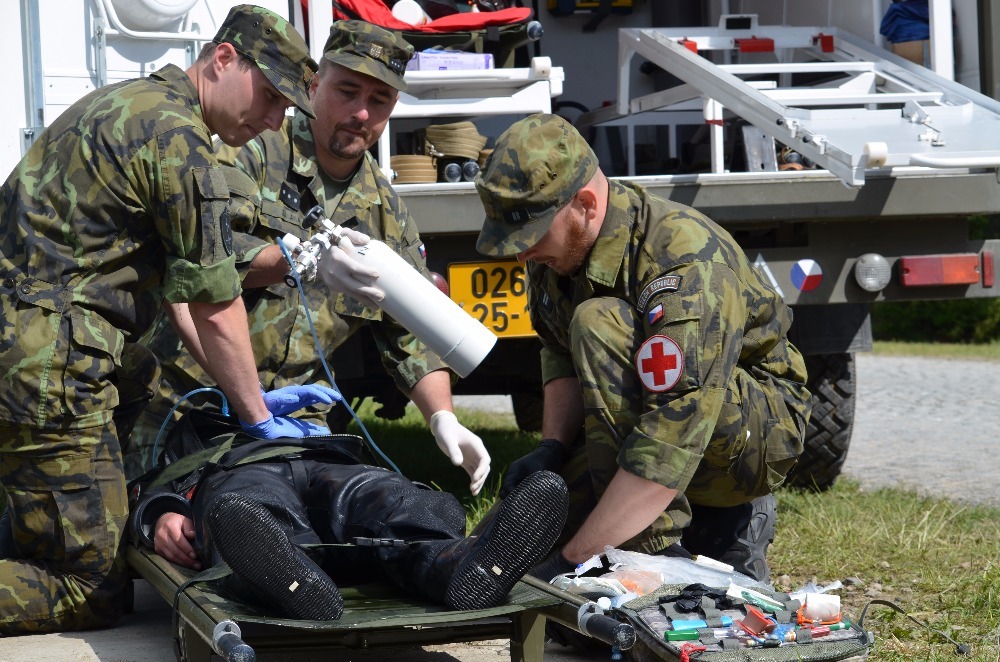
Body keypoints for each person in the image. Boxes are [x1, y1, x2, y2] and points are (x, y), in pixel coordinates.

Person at [0, 5, 341, 635]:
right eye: (269, 96)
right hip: (47, 369)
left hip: (34, 351)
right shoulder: (176, 142)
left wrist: (248, 395)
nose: (273, 120)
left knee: (137, 380)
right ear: (222, 59)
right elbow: (215, 302)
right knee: (89, 586)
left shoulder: (133, 104)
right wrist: (257, 418)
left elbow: (182, 293)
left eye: (286, 110)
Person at [127, 20, 491, 496]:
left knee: (323, 528)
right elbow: (201, 265)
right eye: (347, 91)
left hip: (295, 422)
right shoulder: (250, 151)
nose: (360, 113)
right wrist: (298, 261)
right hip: (191, 402)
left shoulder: (384, 212)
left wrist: (442, 415)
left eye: (378, 101)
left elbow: (410, 331)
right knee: (175, 530)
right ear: (315, 84)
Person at [474, 113, 812, 585]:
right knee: (496, 552)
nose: (520, 254)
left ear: (585, 205)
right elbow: (557, 351)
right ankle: (620, 526)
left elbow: (677, 421)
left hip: (749, 433)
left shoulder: (686, 256)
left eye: (529, 239)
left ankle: (658, 552)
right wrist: (551, 449)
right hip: (657, 427)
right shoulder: (554, 252)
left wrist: (574, 563)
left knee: (599, 322)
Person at [130, 409, 567, 620]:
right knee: (251, 509)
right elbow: (142, 488)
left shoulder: (305, 415)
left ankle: (452, 563)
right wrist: (161, 515)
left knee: (388, 497)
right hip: (237, 471)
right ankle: (288, 573)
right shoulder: (189, 432)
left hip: (329, 460)